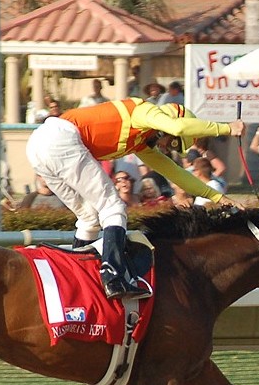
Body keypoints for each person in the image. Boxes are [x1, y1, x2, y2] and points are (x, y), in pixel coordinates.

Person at [26, 97, 245, 299]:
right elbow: (178, 126)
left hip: (39, 145)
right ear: (164, 126)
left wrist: (217, 197)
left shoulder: (141, 143)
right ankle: (113, 277)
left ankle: (77, 271)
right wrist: (227, 128)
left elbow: (175, 173)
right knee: (113, 208)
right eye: (169, 142)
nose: (164, 147)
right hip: (59, 139)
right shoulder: (145, 111)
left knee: (89, 216)